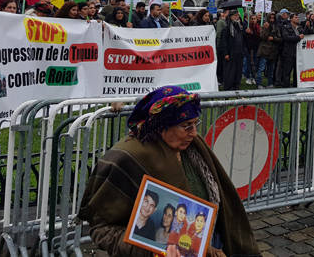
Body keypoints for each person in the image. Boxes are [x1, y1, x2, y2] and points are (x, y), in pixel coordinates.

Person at [79, 86, 259, 257]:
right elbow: (102, 228)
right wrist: (155, 251)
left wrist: (206, 246)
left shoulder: (194, 147)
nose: (194, 133)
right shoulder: (128, 158)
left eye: (195, 123)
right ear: (161, 124)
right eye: (186, 125)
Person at [219, 10, 245, 90]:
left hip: (239, 53)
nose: (237, 17)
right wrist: (226, 53)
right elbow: (224, 42)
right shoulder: (226, 29)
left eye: (237, 16)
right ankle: (228, 87)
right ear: (230, 17)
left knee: (238, 71)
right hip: (231, 53)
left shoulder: (240, 27)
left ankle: (236, 86)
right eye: (235, 16)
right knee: (230, 71)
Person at [278, 13, 304, 87]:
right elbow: (286, 38)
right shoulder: (286, 27)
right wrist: (298, 37)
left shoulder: (300, 28)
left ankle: (296, 85)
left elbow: (305, 35)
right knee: (287, 71)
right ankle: (286, 86)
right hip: (288, 52)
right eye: (296, 17)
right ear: (291, 19)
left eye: (298, 17)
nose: (297, 19)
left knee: (297, 71)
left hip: (298, 53)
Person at [256, 13, 280, 88]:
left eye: (273, 18)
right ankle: (259, 84)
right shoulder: (264, 26)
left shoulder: (276, 27)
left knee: (271, 69)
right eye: (270, 18)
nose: (272, 20)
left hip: (273, 51)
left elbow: (280, 38)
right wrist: (266, 28)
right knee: (261, 68)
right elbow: (262, 36)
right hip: (264, 50)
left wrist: (274, 39)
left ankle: (270, 83)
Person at [243, 15, 260, 85]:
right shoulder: (247, 27)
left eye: (254, 19)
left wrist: (252, 33)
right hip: (248, 47)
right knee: (249, 63)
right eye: (252, 19)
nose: (253, 20)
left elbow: (259, 36)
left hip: (256, 47)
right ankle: (248, 77)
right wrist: (246, 33)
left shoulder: (258, 27)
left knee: (255, 63)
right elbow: (244, 37)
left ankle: (253, 77)